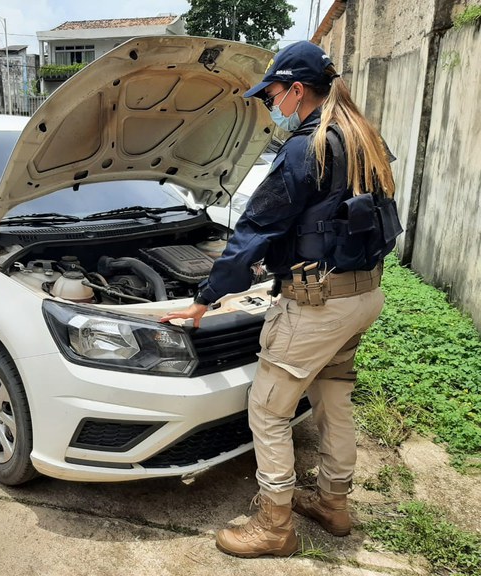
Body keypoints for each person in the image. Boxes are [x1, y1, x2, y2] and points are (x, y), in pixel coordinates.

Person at [160, 41, 399, 558]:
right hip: (364, 294)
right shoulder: (362, 137)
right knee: (334, 399)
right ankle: (334, 505)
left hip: (318, 306)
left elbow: (254, 231)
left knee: (267, 409)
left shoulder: (305, 148)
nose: (270, 103)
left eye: (272, 93)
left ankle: (273, 526)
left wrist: (206, 297)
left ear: (296, 89)